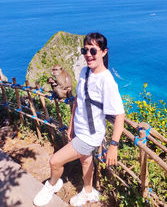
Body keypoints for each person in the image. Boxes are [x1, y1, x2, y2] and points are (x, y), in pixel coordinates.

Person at [33, 32, 125, 206]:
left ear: (104, 52)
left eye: (93, 51)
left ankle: (52, 185)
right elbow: (78, 100)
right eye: (85, 50)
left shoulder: (107, 81)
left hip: (90, 135)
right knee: (86, 159)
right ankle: (88, 192)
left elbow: (120, 115)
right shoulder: (84, 72)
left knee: (55, 160)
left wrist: (114, 146)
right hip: (80, 128)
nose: (88, 55)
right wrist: (72, 125)